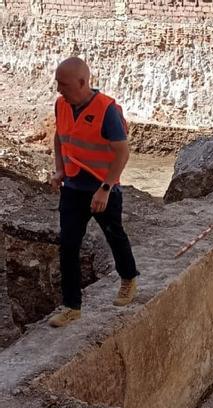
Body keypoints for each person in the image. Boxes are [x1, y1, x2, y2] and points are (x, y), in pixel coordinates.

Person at [48, 57, 138, 328]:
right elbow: (59, 136)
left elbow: (122, 152)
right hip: (73, 187)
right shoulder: (61, 105)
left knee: (114, 236)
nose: (59, 89)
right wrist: (60, 169)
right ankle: (71, 306)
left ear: (82, 82)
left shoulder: (106, 110)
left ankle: (128, 278)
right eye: (57, 83)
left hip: (102, 187)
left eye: (63, 84)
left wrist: (106, 188)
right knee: (68, 245)